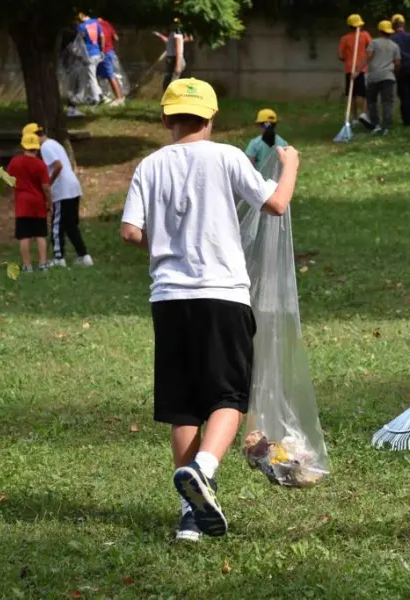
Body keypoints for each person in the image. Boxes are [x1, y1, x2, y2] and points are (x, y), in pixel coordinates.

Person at [119, 78, 300, 540]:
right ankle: (203, 469)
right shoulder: (227, 156)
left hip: (169, 299)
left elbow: (130, 233)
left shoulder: (149, 166)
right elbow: (276, 204)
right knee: (228, 398)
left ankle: (190, 517)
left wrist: (165, 249)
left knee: (184, 408)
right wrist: (290, 165)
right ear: (212, 118)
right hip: (222, 294)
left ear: (165, 118)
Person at [22, 123, 94, 268]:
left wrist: (48, 182)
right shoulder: (54, 143)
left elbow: (58, 165)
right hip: (73, 187)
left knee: (57, 225)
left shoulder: (46, 147)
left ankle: (58, 257)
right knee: (70, 225)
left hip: (63, 190)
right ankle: (84, 256)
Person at [7, 133, 52, 273]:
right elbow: (46, 187)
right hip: (38, 202)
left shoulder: (14, 162)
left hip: (22, 203)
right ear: (37, 148)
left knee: (24, 235)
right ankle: (43, 264)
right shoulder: (41, 164)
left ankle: (27, 266)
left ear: (23, 146)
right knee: (40, 234)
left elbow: (8, 179)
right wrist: (49, 202)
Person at [364, 21, 401, 135]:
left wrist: (357, 70)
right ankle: (386, 127)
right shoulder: (395, 46)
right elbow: (398, 63)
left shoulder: (373, 43)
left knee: (371, 101)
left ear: (379, 30)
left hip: (374, 76)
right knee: (387, 102)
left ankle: (375, 124)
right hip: (388, 77)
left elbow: (367, 58)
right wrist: (395, 73)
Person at [338, 15, 372, 126]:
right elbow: (372, 48)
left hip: (350, 69)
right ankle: (364, 113)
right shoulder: (365, 35)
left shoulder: (345, 38)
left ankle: (354, 118)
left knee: (352, 95)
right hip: (362, 69)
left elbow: (340, 55)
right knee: (365, 94)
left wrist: (347, 59)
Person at [77, 12, 105, 105]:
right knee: (92, 75)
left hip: (89, 54)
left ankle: (96, 98)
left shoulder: (81, 26)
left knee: (91, 77)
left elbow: (79, 42)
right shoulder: (96, 23)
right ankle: (100, 94)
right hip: (97, 52)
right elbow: (102, 37)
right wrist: (102, 50)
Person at [96, 16, 124, 105]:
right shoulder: (107, 24)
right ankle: (103, 96)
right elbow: (116, 38)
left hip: (104, 53)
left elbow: (101, 38)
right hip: (110, 52)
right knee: (99, 75)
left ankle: (119, 98)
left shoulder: (95, 25)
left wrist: (103, 49)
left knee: (110, 75)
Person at [162, 18, 194, 93]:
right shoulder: (174, 33)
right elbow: (180, 42)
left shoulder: (177, 32)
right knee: (171, 82)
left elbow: (178, 49)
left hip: (175, 59)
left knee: (171, 83)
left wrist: (178, 65)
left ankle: (172, 100)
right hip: (173, 58)